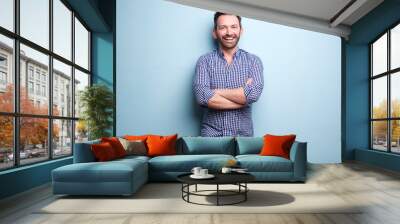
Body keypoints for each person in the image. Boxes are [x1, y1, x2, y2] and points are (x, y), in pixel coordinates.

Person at [193, 12, 264, 137]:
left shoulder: (253, 61)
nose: (229, 32)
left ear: (241, 30)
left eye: (233, 27)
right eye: (222, 27)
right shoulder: (204, 61)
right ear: (214, 33)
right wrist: (242, 99)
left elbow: (252, 95)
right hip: (211, 138)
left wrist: (215, 92)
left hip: (243, 140)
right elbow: (202, 97)